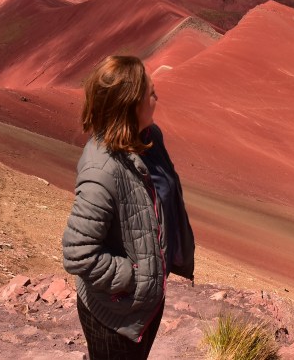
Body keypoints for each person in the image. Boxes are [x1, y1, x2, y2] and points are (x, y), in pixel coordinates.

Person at [63, 55, 195, 359]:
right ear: (130, 106)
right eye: (151, 93)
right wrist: (135, 278)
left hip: (147, 303)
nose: (156, 98)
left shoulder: (150, 139)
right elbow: (77, 253)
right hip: (115, 317)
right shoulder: (101, 170)